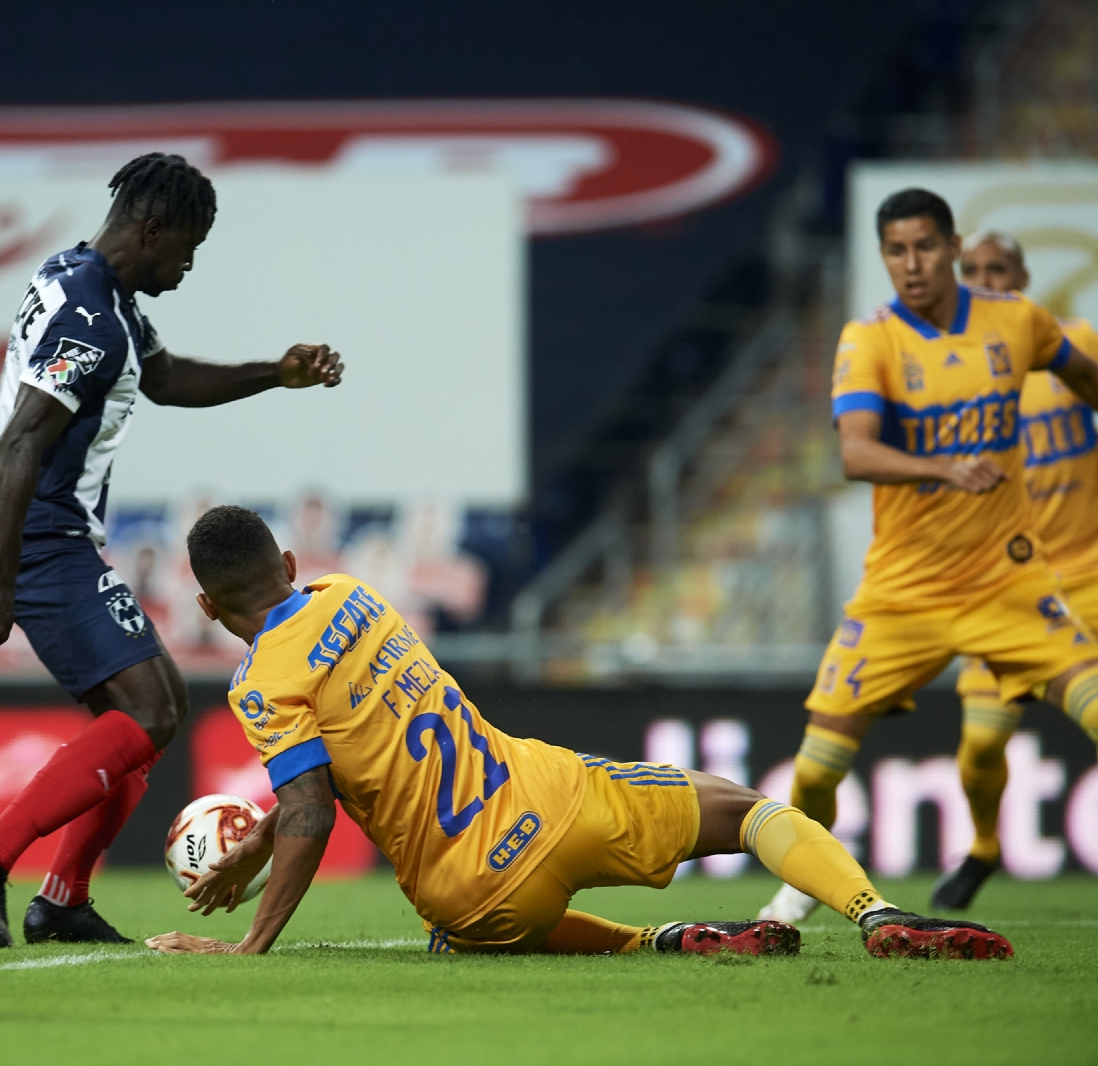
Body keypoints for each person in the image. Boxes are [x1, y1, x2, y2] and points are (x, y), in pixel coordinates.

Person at [143, 506, 1010, 960]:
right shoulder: (351, 595)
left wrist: (250, 941)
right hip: (553, 800)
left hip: (473, 899)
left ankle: (662, 944)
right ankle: (877, 913)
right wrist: (262, 844)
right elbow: (341, 759)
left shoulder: (261, 687)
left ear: (212, 609)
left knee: (473, 932)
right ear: (290, 566)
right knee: (746, 811)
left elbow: (313, 803)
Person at [0, 153, 344, 948]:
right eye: (188, 246)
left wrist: (275, 374)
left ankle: (60, 900)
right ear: (152, 229)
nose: (190, 265)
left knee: (142, 719)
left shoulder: (92, 288)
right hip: (37, 533)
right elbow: (21, 442)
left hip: (46, 530)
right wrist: (2, 586)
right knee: (152, 709)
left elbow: (164, 379)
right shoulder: (90, 316)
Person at [757, 189, 1098, 925]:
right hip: (901, 596)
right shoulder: (871, 339)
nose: (911, 265)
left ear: (949, 248)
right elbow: (855, 452)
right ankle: (801, 884)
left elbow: (1083, 373)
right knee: (815, 769)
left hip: (1008, 585)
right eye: (895, 251)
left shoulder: (1019, 324)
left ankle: (973, 853)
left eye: (924, 247)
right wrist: (947, 470)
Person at [932, 230, 1098, 909]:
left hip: (1090, 578)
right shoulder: (954, 373)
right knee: (978, 751)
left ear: (1024, 277)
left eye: (997, 269)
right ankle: (983, 847)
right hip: (1009, 594)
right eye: (971, 271)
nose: (986, 280)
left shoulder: (1075, 344)